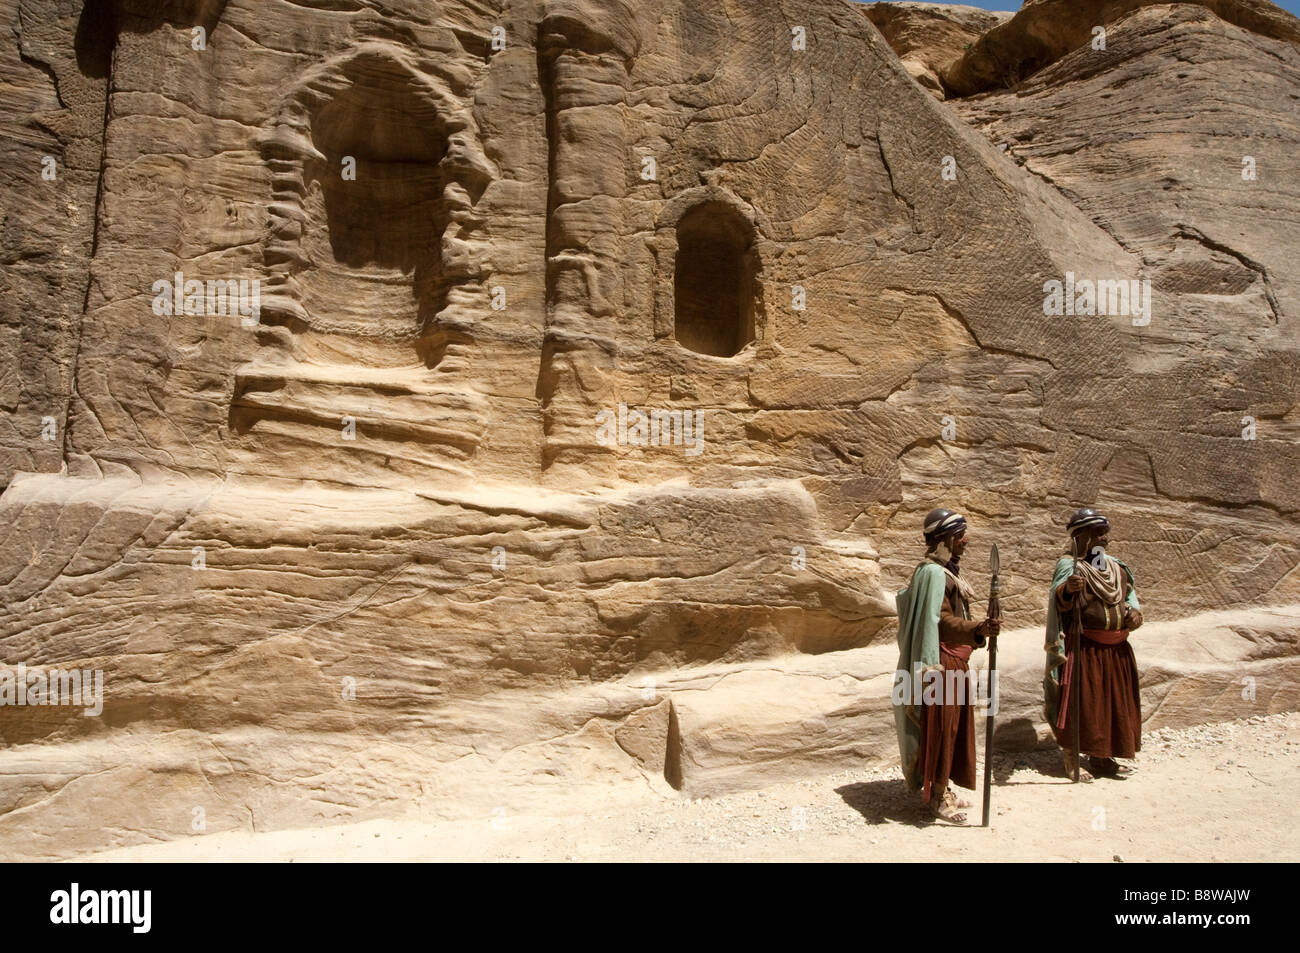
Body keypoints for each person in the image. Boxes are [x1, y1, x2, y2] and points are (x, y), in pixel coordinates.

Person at [893, 507, 1000, 823]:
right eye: (959, 535)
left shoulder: (947, 574)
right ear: (945, 539)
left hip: (956, 661)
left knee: (952, 729)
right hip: (941, 664)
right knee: (941, 730)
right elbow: (940, 622)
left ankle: (944, 787)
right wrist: (977, 628)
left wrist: (978, 630)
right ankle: (936, 797)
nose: (965, 541)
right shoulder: (932, 573)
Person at [1043, 507, 1144, 781]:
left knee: (1110, 704)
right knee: (1084, 704)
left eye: (1104, 533)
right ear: (1080, 538)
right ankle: (1072, 757)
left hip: (1117, 648)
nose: (1103, 538)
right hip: (1085, 648)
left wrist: (1134, 613)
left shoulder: (1117, 568)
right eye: (1096, 534)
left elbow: (1130, 596)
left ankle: (1102, 757)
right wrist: (1068, 590)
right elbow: (1058, 602)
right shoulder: (1070, 566)